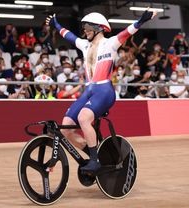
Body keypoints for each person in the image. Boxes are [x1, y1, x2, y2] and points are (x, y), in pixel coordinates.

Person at [46, 10, 157, 173]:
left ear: (99, 28)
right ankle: (92, 152)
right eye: (84, 28)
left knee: (84, 118)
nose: (85, 31)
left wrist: (141, 20)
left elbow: (127, 32)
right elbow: (69, 36)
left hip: (104, 90)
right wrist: (56, 25)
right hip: (89, 90)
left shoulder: (110, 43)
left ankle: (94, 160)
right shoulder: (85, 45)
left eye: (88, 28)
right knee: (65, 128)